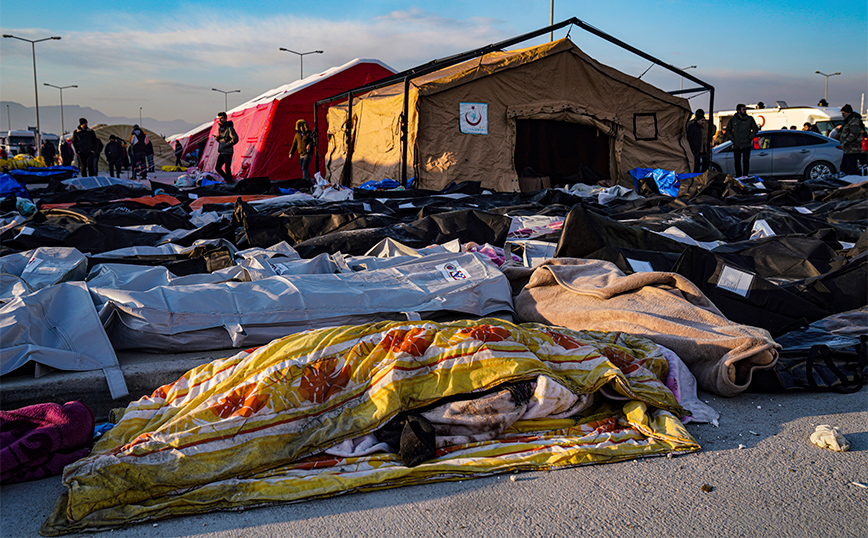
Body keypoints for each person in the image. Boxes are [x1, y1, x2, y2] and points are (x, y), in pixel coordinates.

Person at [725, 104, 759, 177]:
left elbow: (755, 129)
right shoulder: (733, 120)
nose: (745, 111)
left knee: (746, 161)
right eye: (743, 109)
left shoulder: (749, 119)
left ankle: (745, 175)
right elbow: (728, 130)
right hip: (737, 144)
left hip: (746, 144)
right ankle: (738, 176)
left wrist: (750, 137)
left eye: (745, 109)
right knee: (737, 161)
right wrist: (733, 139)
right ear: (738, 110)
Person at [839, 104, 866, 175]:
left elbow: (854, 133)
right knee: (845, 166)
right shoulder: (848, 120)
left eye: (844, 113)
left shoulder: (854, 120)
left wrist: (846, 142)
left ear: (849, 113)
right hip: (848, 149)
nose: (842, 115)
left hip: (852, 148)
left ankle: (852, 178)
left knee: (851, 166)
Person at [214, 112, 238, 182]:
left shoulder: (229, 128)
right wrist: (218, 139)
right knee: (218, 168)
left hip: (227, 152)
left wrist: (227, 144)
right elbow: (223, 140)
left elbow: (235, 138)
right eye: (219, 119)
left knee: (227, 168)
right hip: (222, 151)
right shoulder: (220, 128)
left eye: (222, 118)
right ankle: (227, 179)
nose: (220, 120)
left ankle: (229, 181)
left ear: (225, 118)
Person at [289, 119, 315, 183]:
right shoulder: (297, 135)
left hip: (307, 153)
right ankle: (308, 181)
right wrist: (291, 153)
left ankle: (304, 181)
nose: (301, 127)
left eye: (302, 126)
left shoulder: (309, 133)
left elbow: (314, 142)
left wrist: (309, 144)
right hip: (300, 154)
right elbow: (294, 144)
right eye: (300, 126)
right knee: (304, 168)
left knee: (304, 167)